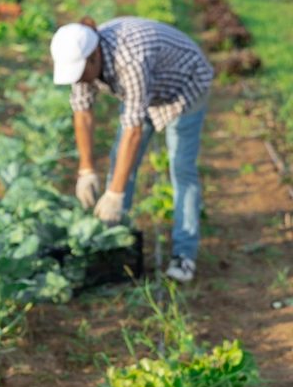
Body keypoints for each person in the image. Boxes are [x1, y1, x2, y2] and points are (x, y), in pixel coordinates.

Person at [50, 16, 213, 283]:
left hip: (185, 86)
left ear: (94, 57)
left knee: (181, 169)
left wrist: (114, 193)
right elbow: (82, 112)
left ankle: (184, 255)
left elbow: (133, 131)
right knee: (121, 160)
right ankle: (113, 240)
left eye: (81, 72)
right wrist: (86, 169)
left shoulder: (130, 59)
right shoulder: (85, 61)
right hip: (147, 88)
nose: (78, 79)